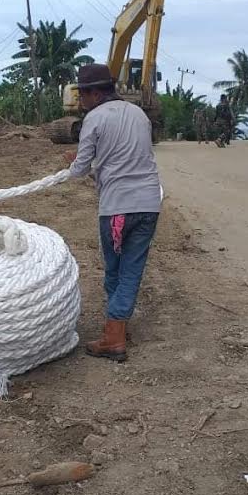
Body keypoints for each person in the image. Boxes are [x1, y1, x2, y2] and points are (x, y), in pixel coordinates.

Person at [66, 64, 161, 362]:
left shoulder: (94, 119)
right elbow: (128, 158)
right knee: (131, 268)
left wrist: (70, 163)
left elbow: (79, 170)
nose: (81, 100)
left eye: (82, 94)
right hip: (148, 204)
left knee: (115, 270)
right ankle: (117, 324)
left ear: (95, 93)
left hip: (118, 209)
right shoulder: (139, 114)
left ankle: (114, 336)